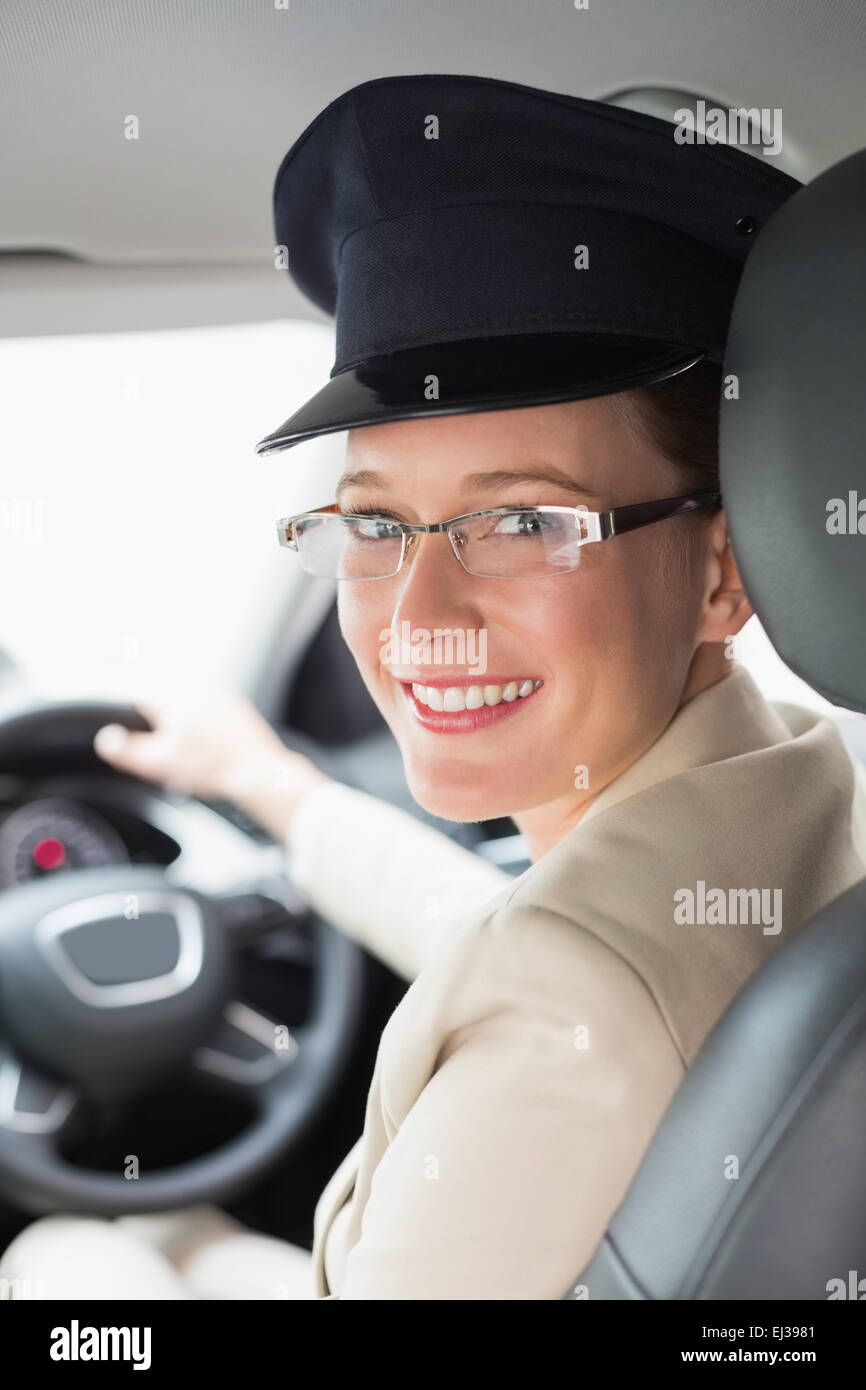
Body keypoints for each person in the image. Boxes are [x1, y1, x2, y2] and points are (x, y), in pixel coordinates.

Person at [3, 74, 865, 1300]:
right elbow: (525, 931)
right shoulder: (792, 794)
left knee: (69, 1256)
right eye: (373, 523)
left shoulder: (560, 1023)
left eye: (519, 519)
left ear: (723, 571)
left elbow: (560, 974)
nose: (416, 619)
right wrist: (279, 795)